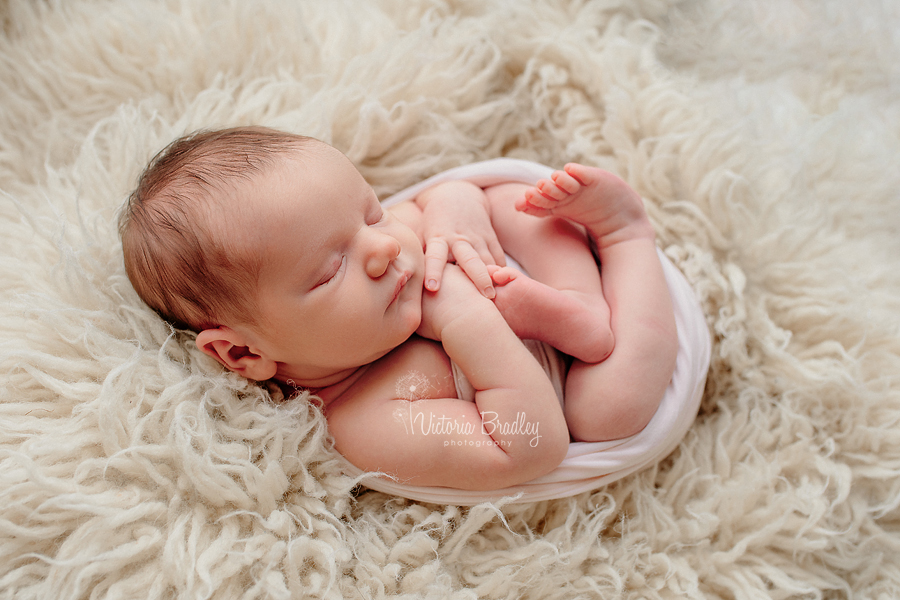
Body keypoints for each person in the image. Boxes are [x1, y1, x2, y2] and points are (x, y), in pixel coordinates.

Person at [120, 127, 678, 491]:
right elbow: (532, 443)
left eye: (369, 214)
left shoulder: (383, 250)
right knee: (609, 410)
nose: (384, 247)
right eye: (329, 270)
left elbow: (432, 200)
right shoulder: (366, 422)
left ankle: (577, 302)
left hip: (532, 268)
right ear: (243, 351)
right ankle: (626, 236)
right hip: (566, 378)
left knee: (507, 203)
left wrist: (459, 213)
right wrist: (465, 318)